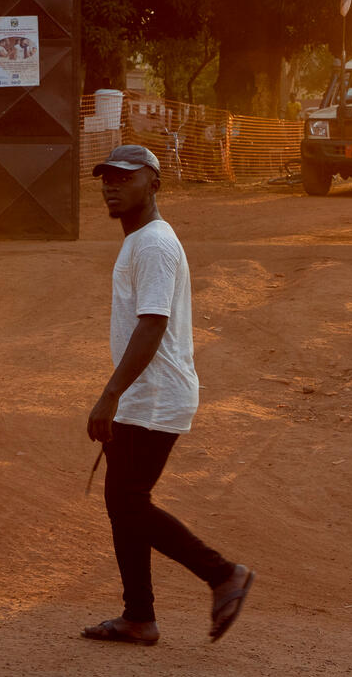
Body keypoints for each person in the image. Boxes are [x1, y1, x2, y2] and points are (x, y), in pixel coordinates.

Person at [81, 144, 253, 647]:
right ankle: (139, 616)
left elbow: (153, 324)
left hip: (154, 393)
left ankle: (222, 574)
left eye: (125, 177)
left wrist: (110, 394)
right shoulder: (141, 240)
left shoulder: (153, 244)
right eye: (107, 178)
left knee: (128, 501)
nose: (112, 186)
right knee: (124, 500)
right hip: (148, 391)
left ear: (154, 184)